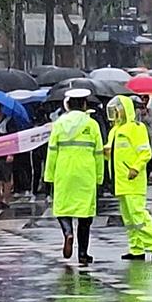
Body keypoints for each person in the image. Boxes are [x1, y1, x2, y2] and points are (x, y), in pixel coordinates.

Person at [43, 89, 105, 266]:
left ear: (68, 105)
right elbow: (98, 152)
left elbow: (52, 151)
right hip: (86, 173)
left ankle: (68, 233)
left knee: (63, 208)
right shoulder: (91, 125)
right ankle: (83, 254)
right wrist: (100, 177)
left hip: (64, 171)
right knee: (85, 215)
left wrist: (49, 176)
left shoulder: (60, 124)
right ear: (85, 104)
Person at [105, 95, 152, 262]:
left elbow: (145, 152)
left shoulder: (136, 128)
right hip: (120, 182)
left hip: (133, 181)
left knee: (138, 214)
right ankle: (136, 248)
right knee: (129, 219)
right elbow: (114, 154)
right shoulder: (114, 131)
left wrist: (135, 168)